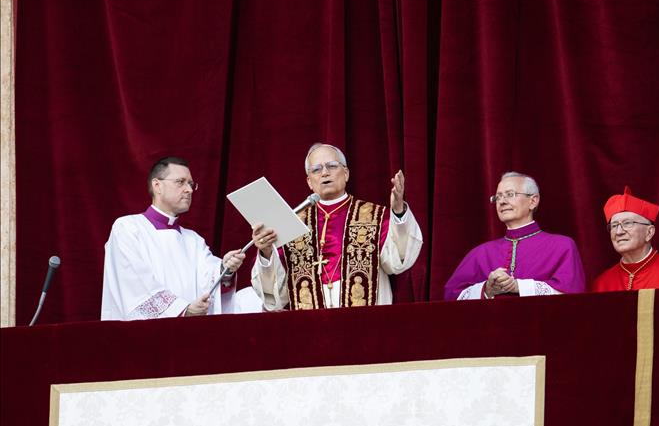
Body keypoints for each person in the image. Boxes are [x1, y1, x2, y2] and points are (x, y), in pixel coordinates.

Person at [250, 143, 423, 309]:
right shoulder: (293, 223)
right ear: (309, 181)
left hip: (364, 323)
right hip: (311, 324)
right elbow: (275, 293)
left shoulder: (375, 216)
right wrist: (266, 252)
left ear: (346, 173)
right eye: (316, 169)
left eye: (332, 166)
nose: (325, 173)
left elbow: (398, 261)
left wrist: (398, 211)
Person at [102, 157, 246, 320]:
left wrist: (225, 269)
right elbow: (134, 284)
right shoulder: (128, 228)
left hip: (189, 331)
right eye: (180, 182)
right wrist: (183, 310)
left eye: (191, 184)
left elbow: (209, 280)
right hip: (144, 331)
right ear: (157, 186)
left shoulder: (193, 240)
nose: (189, 190)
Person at [445, 172, 585, 300]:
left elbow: (573, 296)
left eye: (510, 194)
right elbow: (451, 296)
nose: (502, 201)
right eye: (498, 197)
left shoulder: (562, 246)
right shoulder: (480, 253)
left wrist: (519, 286)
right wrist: (486, 289)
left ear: (533, 201)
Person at [592, 186, 659, 292]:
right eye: (614, 225)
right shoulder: (601, 284)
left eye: (627, 223)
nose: (619, 232)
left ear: (649, 232)